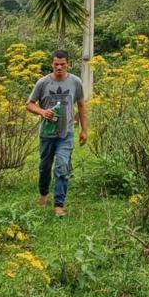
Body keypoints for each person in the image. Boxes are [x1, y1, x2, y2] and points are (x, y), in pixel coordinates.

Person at [25, 49, 89, 218]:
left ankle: (59, 205)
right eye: (56, 64)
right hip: (47, 134)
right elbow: (29, 104)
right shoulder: (42, 83)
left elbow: (82, 106)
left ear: (68, 64)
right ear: (51, 64)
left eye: (62, 64)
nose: (59, 67)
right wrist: (42, 112)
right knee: (45, 167)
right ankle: (44, 193)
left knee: (62, 167)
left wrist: (84, 130)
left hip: (65, 133)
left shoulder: (75, 82)